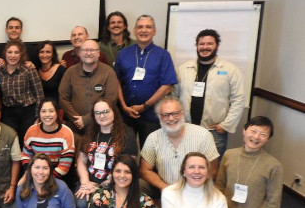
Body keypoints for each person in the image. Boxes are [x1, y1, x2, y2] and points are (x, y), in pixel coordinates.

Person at [175, 29, 246, 158]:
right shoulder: (183, 69)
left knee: (212, 168)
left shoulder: (230, 70)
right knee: (184, 164)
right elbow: (173, 96)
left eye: (209, 44)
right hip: (186, 128)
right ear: (197, 46)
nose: (205, 47)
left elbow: (239, 99)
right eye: (201, 44)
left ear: (217, 46)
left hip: (214, 131)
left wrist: (226, 125)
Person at [140, 96, 219, 200]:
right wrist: (165, 188)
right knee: (138, 185)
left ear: (182, 114)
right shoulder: (153, 138)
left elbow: (212, 171)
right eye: (165, 115)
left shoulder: (203, 135)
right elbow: (145, 170)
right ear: (160, 117)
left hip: (196, 188)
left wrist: (190, 188)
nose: (171, 118)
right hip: (164, 187)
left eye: (175, 114)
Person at [115, 14, 177, 147]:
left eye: (148, 27)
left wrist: (145, 106)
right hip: (126, 115)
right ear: (134, 31)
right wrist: (124, 106)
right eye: (140, 27)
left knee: (150, 154)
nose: (144, 30)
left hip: (151, 115)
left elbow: (166, 86)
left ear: (154, 31)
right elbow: (116, 81)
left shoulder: (163, 55)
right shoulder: (123, 53)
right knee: (125, 152)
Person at [75, 100, 138, 208]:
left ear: (114, 111)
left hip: (116, 183)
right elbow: (81, 160)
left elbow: (130, 165)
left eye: (105, 111)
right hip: (89, 182)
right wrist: (85, 182)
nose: (102, 116)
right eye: (97, 113)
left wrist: (100, 187)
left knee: (103, 204)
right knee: (82, 204)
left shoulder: (127, 134)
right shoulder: (91, 132)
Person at [58, 39, 119, 135]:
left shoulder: (109, 73)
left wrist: (86, 119)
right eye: (85, 50)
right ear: (80, 53)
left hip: (100, 126)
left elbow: (111, 100)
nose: (89, 53)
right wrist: (77, 119)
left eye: (92, 50)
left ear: (98, 53)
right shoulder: (70, 72)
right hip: (75, 127)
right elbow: (63, 97)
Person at [0, 38, 44, 145]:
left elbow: (39, 94)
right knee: (11, 143)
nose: (12, 55)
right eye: (10, 52)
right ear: (5, 54)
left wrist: (38, 116)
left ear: (21, 54)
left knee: (27, 142)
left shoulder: (28, 69)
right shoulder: (0, 71)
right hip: (9, 113)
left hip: (28, 112)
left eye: (16, 52)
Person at [20, 98, 75, 183]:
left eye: (51, 111)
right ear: (39, 113)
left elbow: (64, 167)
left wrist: (43, 180)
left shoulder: (66, 133)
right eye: (43, 111)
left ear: (57, 113)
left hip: (58, 177)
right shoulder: (31, 131)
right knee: (20, 189)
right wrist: (29, 174)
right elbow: (26, 155)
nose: (47, 114)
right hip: (36, 174)